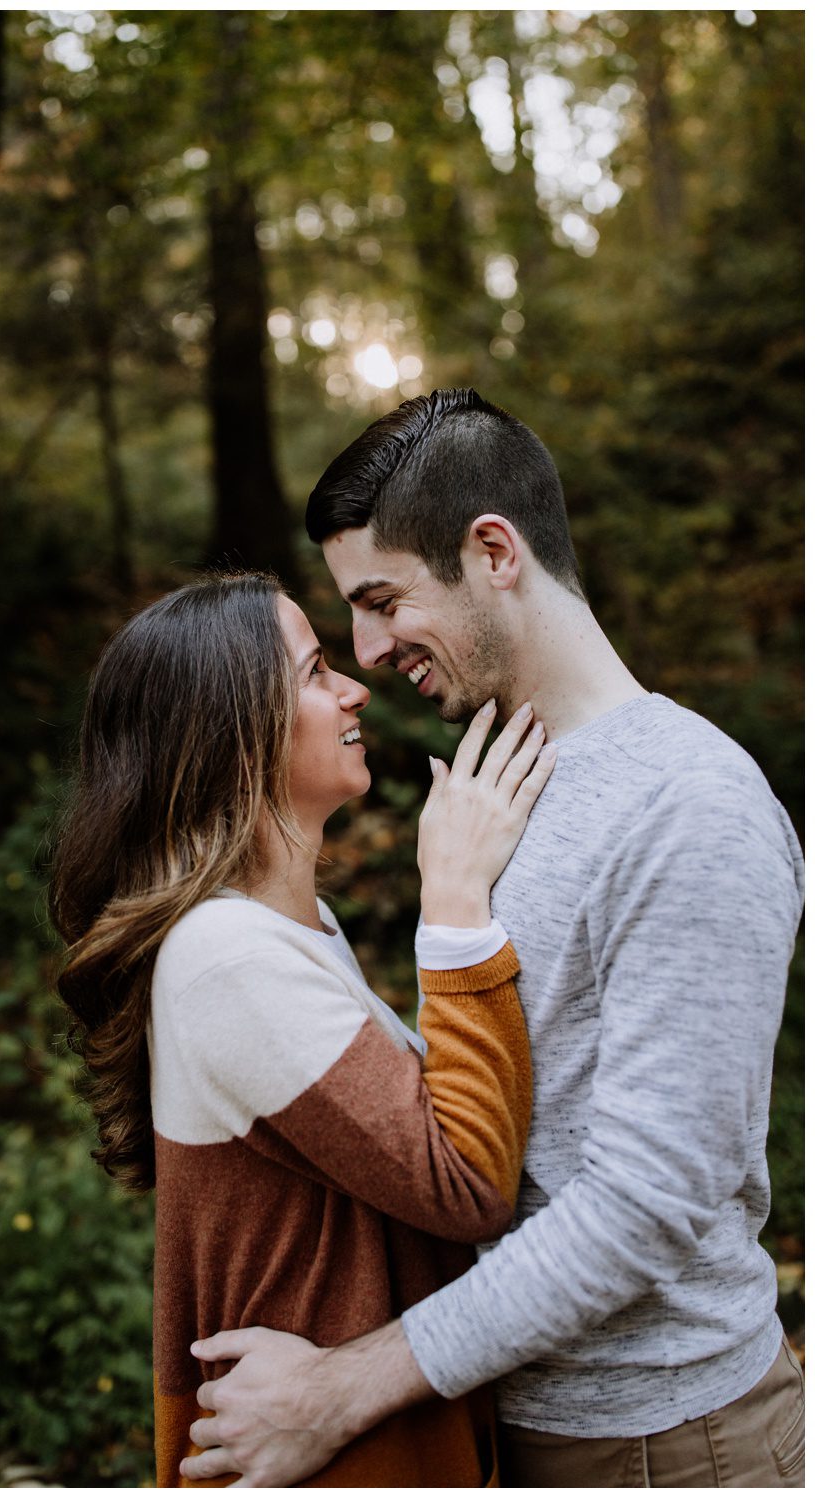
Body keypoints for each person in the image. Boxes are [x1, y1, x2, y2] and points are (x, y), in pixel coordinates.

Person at [182, 389, 805, 1486]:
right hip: (496, 1416)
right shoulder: (497, 780)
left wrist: (344, 1384)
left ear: (490, 552)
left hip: (658, 1441)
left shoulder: (689, 804)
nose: (366, 649)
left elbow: (643, 1206)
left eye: (381, 601)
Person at [50, 572, 555, 1484]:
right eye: (317, 670)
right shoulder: (227, 957)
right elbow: (469, 1182)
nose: (356, 687)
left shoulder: (288, 931)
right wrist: (453, 907)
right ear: (232, 733)